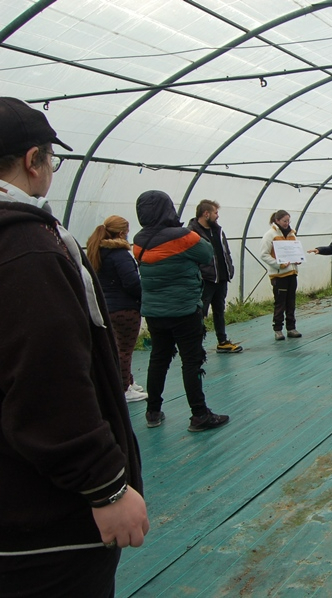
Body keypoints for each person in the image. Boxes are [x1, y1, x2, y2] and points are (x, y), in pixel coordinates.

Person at [0, 96, 149, 597]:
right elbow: (48, 384)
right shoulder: (26, 251)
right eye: (51, 159)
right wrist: (106, 486)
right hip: (40, 526)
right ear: (32, 160)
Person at [133, 190, 230, 432]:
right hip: (184, 311)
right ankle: (199, 414)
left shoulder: (138, 240)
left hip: (154, 313)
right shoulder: (183, 237)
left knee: (158, 359)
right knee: (191, 361)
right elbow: (207, 254)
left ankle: (152, 411)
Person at [86, 215, 149, 403]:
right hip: (125, 309)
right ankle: (123, 389)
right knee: (125, 350)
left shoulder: (97, 252)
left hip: (106, 308)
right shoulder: (120, 254)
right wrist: (143, 296)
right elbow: (131, 283)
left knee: (116, 347)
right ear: (122, 233)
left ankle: (127, 381)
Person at [188, 199, 242, 354]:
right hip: (205, 280)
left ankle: (222, 341)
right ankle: (195, 345)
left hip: (221, 278)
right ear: (206, 214)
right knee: (199, 312)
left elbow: (225, 252)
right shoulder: (192, 233)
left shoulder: (218, 230)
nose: (217, 216)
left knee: (219, 310)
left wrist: (229, 269)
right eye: (215, 212)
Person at [259, 210, 302, 341]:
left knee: (291, 302)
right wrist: (279, 264)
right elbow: (263, 254)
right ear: (277, 221)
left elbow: (295, 250)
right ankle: (278, 329)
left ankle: (291, 328)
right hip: (279, 276)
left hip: (292, 274)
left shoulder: (292, 234)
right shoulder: (270, 235)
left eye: (288, 221)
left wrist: (298, 258)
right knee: (280, 303)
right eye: (284, 221)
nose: (287, 223)